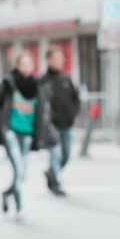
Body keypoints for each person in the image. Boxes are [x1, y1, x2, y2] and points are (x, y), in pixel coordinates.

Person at [0, 52, 57, 217]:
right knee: (18, 169)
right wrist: (0, 123)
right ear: (18, 66)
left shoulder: (36, 86)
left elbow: (41, 112)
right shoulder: (9, 83)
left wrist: (41, 133)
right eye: (24, 64)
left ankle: (7, 194)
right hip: (11, 132)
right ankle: (19, 205)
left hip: (27, 134)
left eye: (30, 64)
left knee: (22, 173)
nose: (27, 67)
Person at [40, 46, 79, 197]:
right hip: (51, 126)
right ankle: (55, 183)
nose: (60, 61)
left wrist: (73, 114)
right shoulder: (43, 81)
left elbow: (76, 99)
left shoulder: (66, 78)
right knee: (55, 154)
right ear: (49, 60)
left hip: (67, 124)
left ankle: (51, 172)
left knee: (66, 155)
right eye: (56, 58)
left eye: (61, 58)